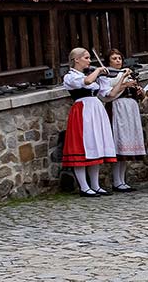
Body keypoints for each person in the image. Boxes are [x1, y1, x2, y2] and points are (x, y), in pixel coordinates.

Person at [61, 48, 118, 196]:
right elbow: (86, 81)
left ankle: (95, 185)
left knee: (95, 145)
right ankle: (84, 186)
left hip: (96, 108)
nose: (89, 60)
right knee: (82, 146)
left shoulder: (93, 75)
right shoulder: (70, 77)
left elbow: (109, 94)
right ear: (76, 60)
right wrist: (98, 71)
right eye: (86, 58)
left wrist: (122, 82)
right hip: (82, 110)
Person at [102, 49, 146, 192]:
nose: (118, 61)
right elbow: (109, 94)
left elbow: (141, 97)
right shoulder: (107, 76)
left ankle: (122, 180)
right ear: (108, 61)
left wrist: (138, 91)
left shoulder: (128, 74)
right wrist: (125, 84)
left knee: (127, 145)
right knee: (118, 144)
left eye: (119, 58)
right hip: (117, 108)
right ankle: (116, 181)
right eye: (114, 58)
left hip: (130, 109)